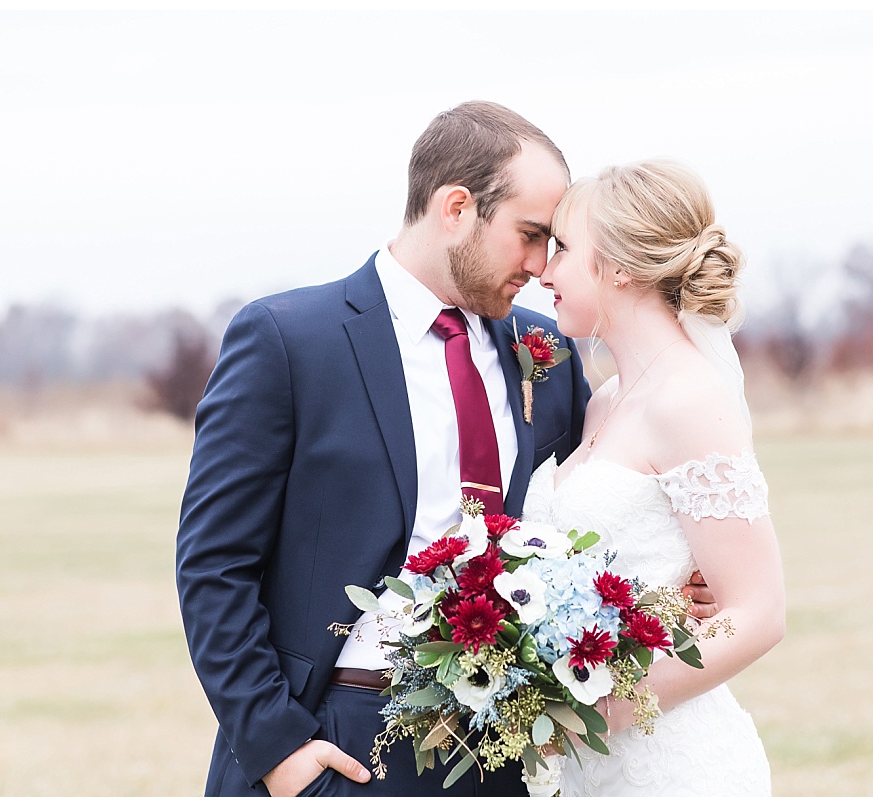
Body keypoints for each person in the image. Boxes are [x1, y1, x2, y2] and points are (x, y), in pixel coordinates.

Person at [175, 102, 717, 797]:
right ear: (456, 207)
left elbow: (579, 522)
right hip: (340, 736)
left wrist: (670, 574)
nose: (539, 265)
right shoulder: (288, 341)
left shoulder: (545, 353)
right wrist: (280, 747)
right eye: (529, 235)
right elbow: (214, 561)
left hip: (513, 742)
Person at [523, 159, 785, 796]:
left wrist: (597, 711)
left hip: (673, 765)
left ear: (617, 266)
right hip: (591, 769)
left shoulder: (687, 401)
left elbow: (758, 612)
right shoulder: (605, 402)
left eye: (563, 249)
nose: (545, 269)